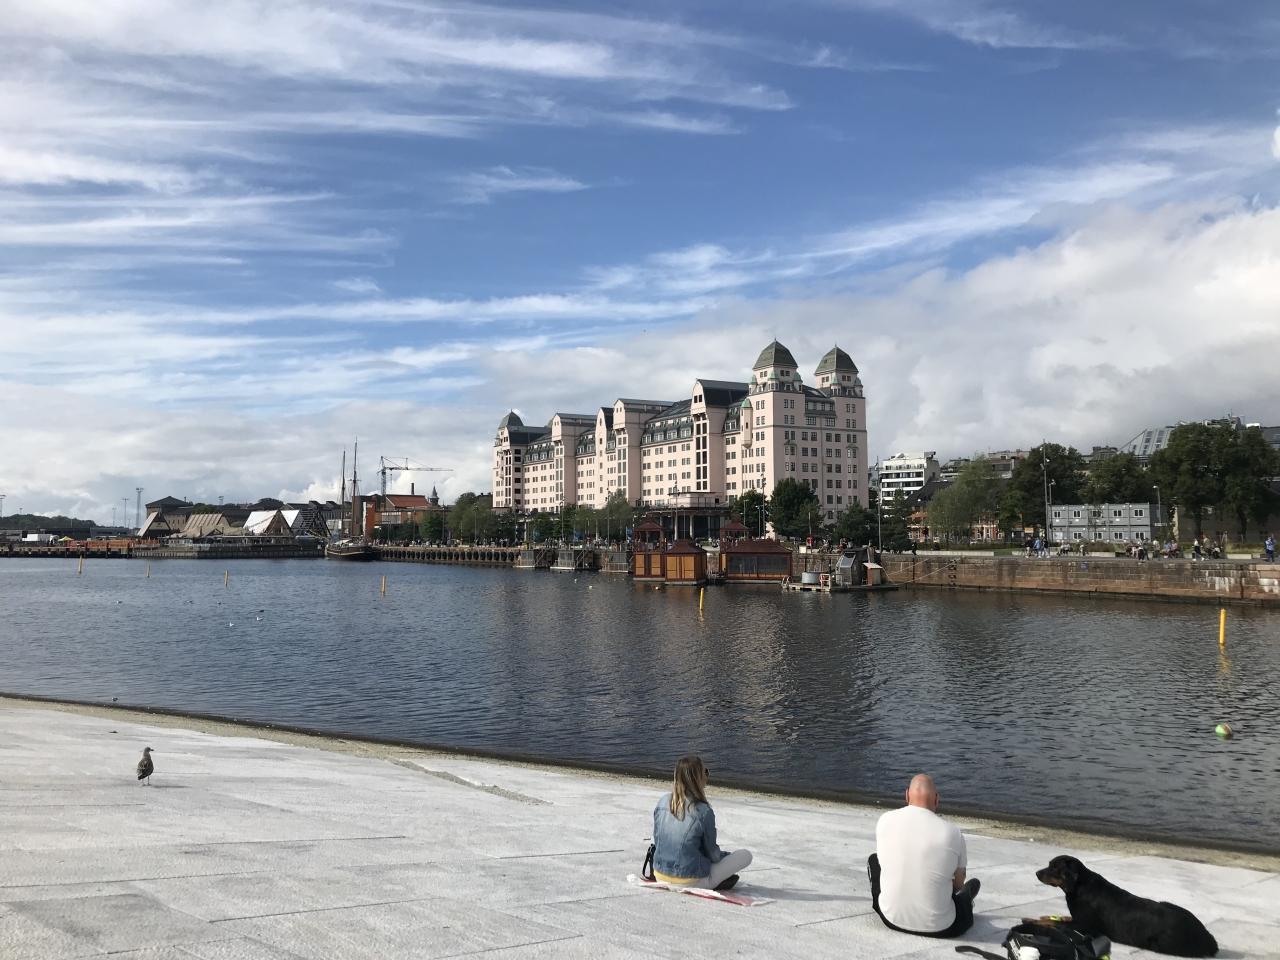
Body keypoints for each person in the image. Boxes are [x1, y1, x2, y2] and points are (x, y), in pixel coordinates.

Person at [868, 774, 979, 938]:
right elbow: (957, 885)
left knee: (873, 860)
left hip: (890, 918)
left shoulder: (885, 820)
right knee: (970, 888)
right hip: (941, 927)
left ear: (907, 795)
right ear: (936, 799)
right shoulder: (953, 833)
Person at [651, 755, 752, 891]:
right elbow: (713, 855)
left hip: (660, 875)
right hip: (690, 881)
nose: (707, 776)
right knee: (745, 855)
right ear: (697, 778)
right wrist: (726, 856)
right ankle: (715, 881)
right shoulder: (703, 811)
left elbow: (658, 841)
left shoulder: (662, 802)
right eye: (706, 772)